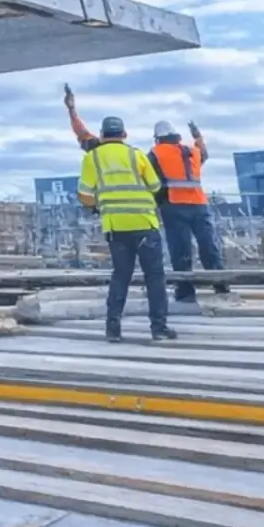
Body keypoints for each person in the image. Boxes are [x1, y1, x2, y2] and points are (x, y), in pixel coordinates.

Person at [77, 112, 175, 343]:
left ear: (101, 135)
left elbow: (84, 194)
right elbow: (155, 185)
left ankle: (113, 329)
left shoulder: (93, 158)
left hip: (116, 227)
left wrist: (98, 206)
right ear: (124, 134)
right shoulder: (136, 155)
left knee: (120, 276)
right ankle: (158, 329)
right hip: (144, 224)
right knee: (154, 277)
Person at [149, 119, 230, 303]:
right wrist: (197, 135)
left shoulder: (155, 153)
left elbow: (150, 178)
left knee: (181, 250)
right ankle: (221, 286)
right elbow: (204, 154)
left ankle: (185, 292)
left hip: (174, 205)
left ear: (158, 138)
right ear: (176, 136)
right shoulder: (191, 151)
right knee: (209, 246)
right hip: (199, 204)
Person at [63, 83, 97, 151]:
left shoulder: (96, 145)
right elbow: (81, 131)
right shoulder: (124, 150)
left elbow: (80, 131)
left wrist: (71, 108)